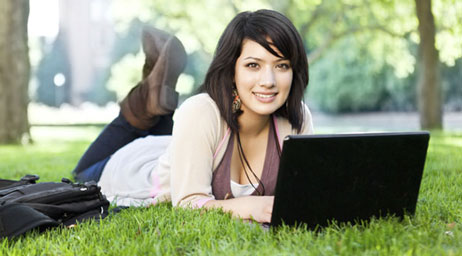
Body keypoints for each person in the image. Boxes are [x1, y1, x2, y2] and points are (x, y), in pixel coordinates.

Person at [72, 9, 314, 224]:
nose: (269, 81)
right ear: (231, 70)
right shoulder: (202, 111)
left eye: (282, 65)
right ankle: (144, 105)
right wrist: (249, 207)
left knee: (177, 137)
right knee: (81, 174)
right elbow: (187, 204)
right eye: (253, 65)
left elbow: (305, 197)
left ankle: (154, 104)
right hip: (136, 168)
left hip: (180, 148)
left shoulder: (297, 118)